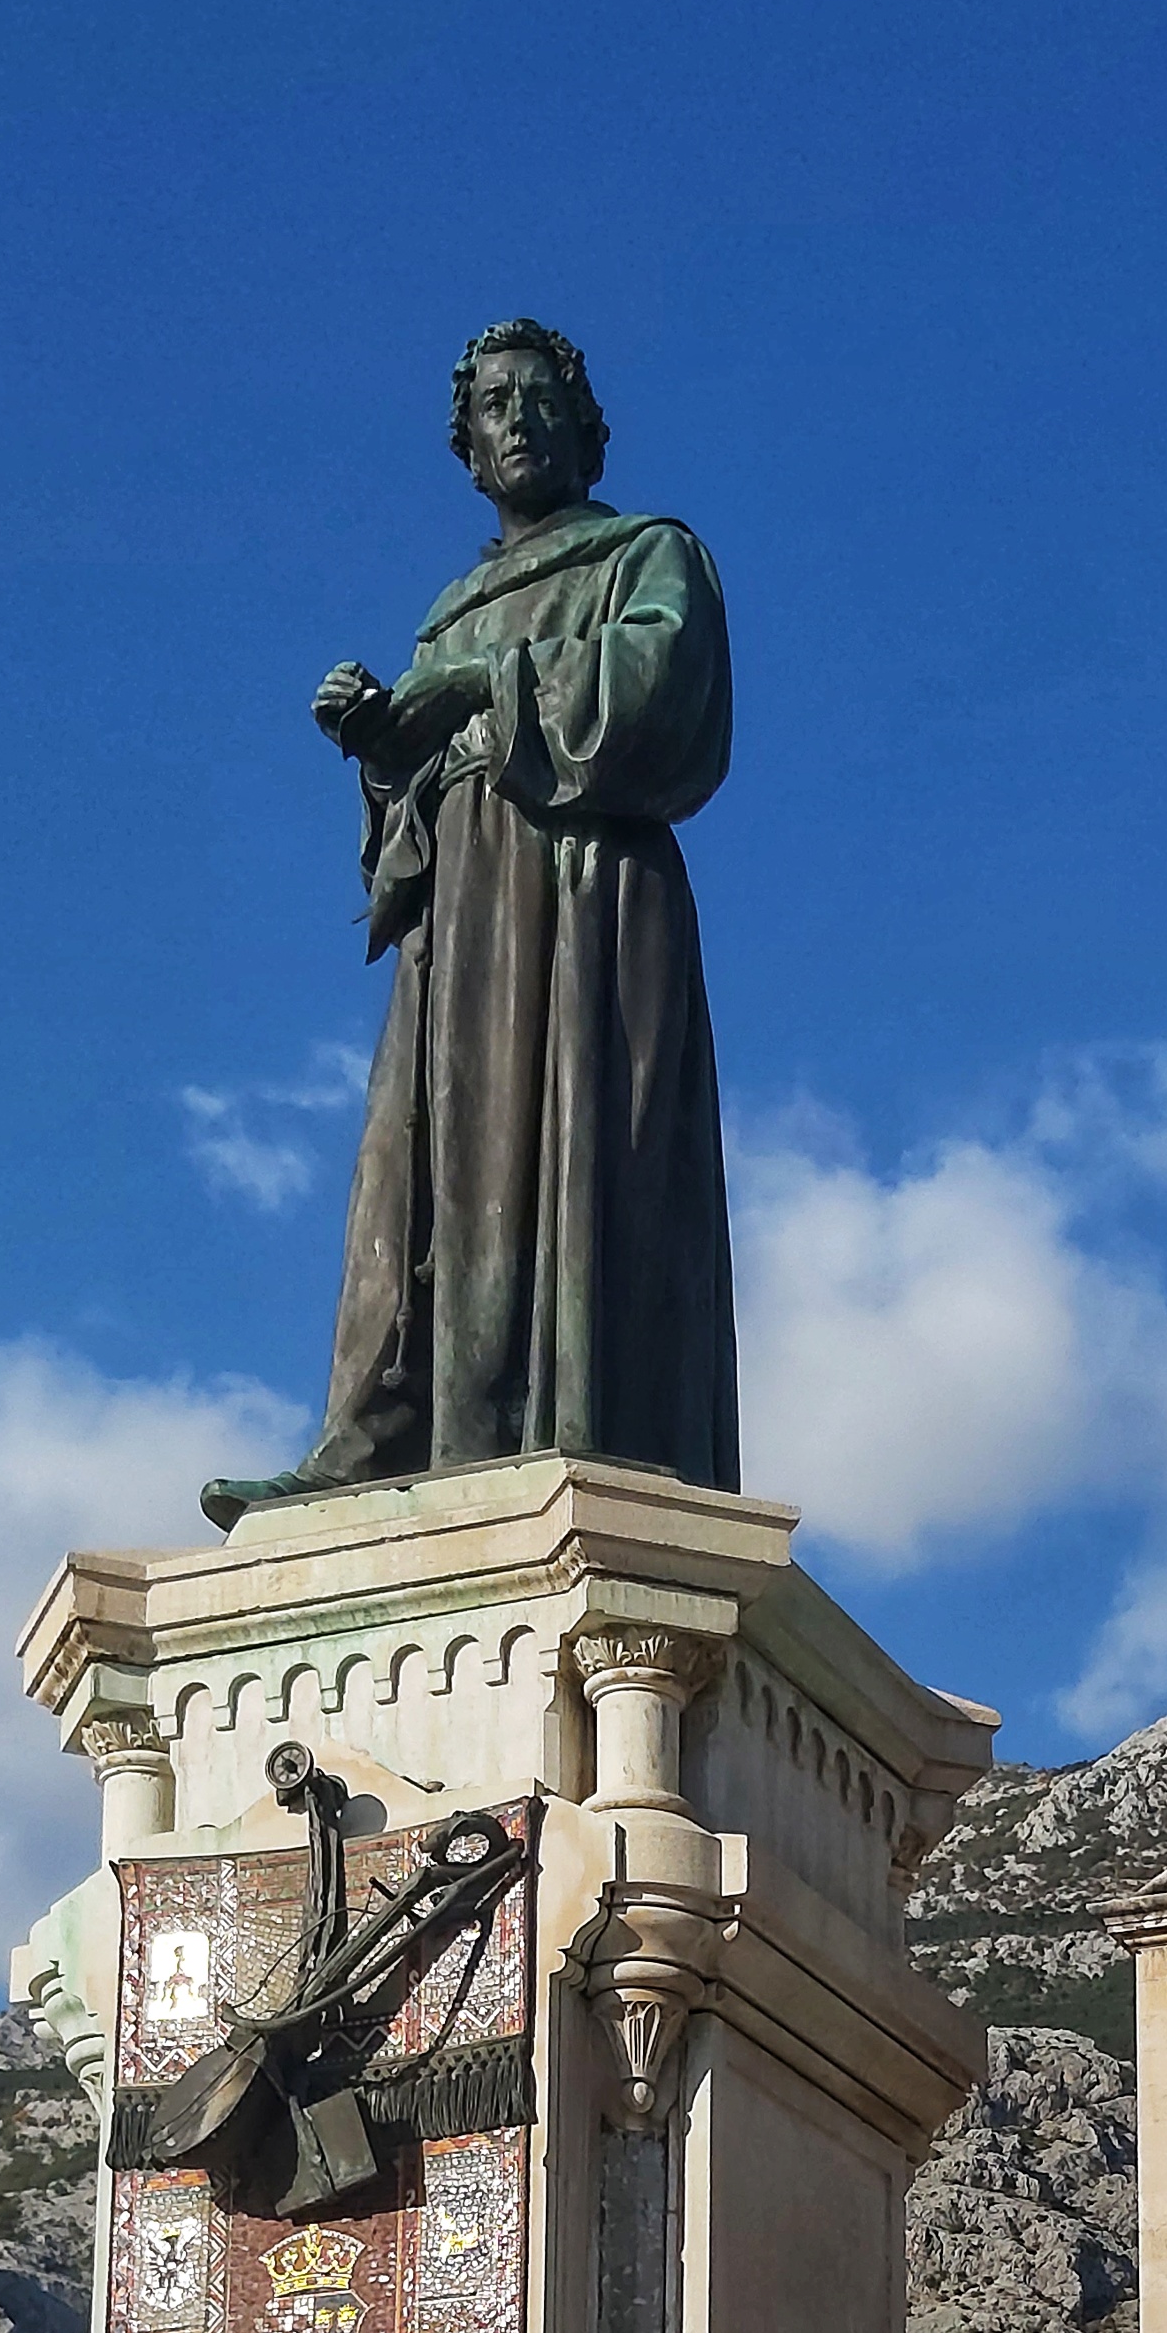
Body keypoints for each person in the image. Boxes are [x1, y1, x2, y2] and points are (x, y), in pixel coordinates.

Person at [222, 318, 740, 1517]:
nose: (519, 421)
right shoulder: (448, 611)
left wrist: (481, 692)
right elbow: (405, 825)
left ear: (586, 425)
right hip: (461, 920)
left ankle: (577, 1434)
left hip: (584, 896)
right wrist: (379, 751)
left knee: (571, 1158)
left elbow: (664, 700)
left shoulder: (647, 556)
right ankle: (383, 1433)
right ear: (467, 448)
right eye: (495, 406)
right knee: (418, 1169)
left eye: (540, 398)